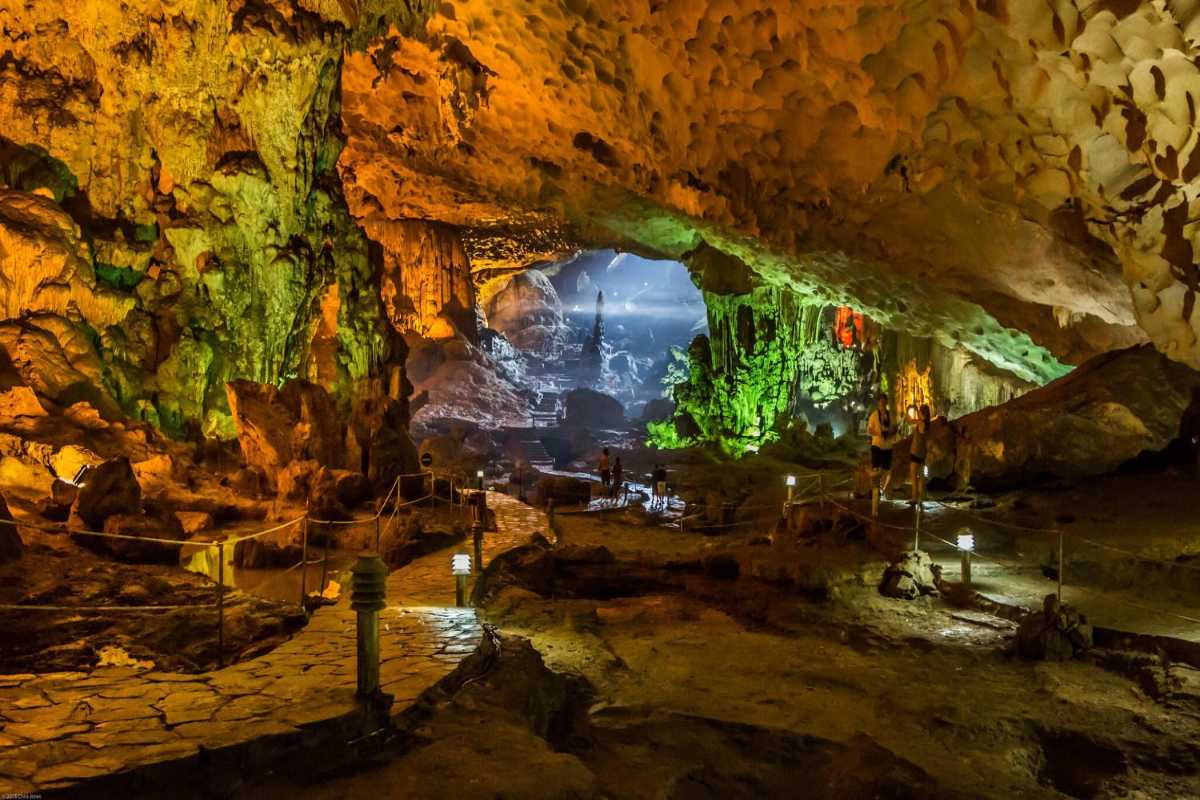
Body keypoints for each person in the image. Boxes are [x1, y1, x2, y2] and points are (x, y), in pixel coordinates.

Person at [867, 394, 894, 494]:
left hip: (887, 446)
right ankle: (875, 489)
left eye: (884, 402)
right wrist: (878, 433)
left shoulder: (890, 415)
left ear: (886, 403)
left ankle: (882, 488)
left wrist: (891, 433)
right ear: (878, 403)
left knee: (887, 470)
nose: (882, 404)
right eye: (881, 402)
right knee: (876, 469)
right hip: (877, 445)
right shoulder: (874, 415)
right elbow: (869, 430)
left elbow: (894, 428)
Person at [909, 404, 931, 504]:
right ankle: (920, 498)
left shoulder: (921, 423)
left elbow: (909, 421)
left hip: (916, 452)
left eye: (920, 413)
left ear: (922, 413)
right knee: (921, 477)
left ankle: (914, 497)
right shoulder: (927, 424)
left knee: (913, 476)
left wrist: (909, 410)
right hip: (923, 453)